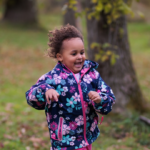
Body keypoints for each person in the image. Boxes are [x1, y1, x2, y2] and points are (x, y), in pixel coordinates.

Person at [25, 24, 116, 150]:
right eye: (74, 54)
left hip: (87, 137)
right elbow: (30, 96)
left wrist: (100, 99)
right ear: (60, 57)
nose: (80, 57)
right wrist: (46, 91)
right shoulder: (52, 79)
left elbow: (109, 99)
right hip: (64, 141)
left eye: (82, 52)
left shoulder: (92, 75)